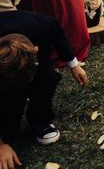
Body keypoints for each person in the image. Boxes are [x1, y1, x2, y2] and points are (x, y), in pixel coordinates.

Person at [0, 13, 88, 166]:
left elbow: (57, 35)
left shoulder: (40, 25)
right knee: (11, 101)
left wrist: (74, 65)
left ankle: (40, 121)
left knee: (47, 77)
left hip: (36, 55)